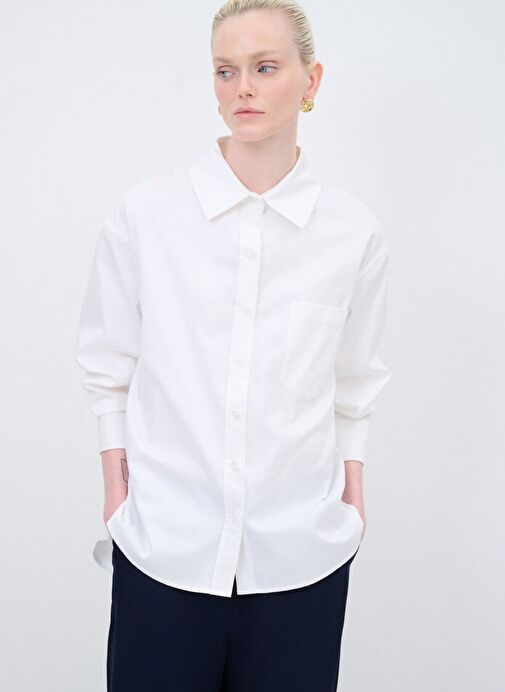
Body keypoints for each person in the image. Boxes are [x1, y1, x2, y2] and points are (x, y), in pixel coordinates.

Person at [75, 1, 391, 690]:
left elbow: (354, 382)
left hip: (301, 559)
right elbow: (107, 364)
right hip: (164, 550)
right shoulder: (147, 214)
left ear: (311, 81)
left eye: (264, 67)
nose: (242, 87)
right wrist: (116, 492)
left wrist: (351, 498)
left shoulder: (352, 232)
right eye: (226, 70)